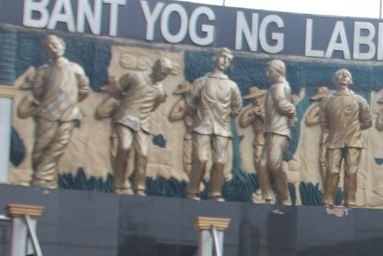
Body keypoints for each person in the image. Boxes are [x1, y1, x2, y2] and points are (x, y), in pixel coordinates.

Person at [100, 56, 176, 196]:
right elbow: (114, 91)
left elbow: (152, 107)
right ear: (155, 67)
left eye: (166, 74)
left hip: (142, 123)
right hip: (125, 117)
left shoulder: (160, 92)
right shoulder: (134, 76)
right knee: (124, 147)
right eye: (162, 71)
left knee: (143, 153)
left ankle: (139, 187)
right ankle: (118, 184)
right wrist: (126, 99)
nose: (162, 76)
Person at [22, 35, 91, 188]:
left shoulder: (75, 68)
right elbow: (38, 90)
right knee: (41, 146)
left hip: (69, 114)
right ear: (46, 51)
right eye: (49, 46)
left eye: (55, 44)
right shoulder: (44, 71)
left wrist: (70, 102)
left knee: (59, 145)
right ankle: (46, 179)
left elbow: (84, 89)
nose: (53, 48)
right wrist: (50, 100)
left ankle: (40, 177)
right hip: (47, 113)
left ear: (62, 46)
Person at [183, 47, 243, 200]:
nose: (225, 61)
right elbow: (189, 102)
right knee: (200, 159)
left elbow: (236, 107)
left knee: (220, 161)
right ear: (215, 58)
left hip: (222, 128)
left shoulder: (232, 86)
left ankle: (215, 193)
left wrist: (224, 117)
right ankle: (192, 191)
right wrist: (198, 116)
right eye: (223, 57)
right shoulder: (201, 82)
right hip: (202, 126)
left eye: (229, 60)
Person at [319, 68, 373, 207]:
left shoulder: (359, 100)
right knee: (332, 171)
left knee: (351, 171)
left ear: (351, 81)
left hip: (353, 141)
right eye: (339, 75)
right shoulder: (327, 100)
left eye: (347, 75)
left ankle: (350, 201)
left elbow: (368, 121)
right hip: (334, 141)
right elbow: (324, 123)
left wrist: (354, 129)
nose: (343, 77)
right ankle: (328, 200)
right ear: (334, 80)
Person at [256, 59, 297, 205]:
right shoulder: (275, 87)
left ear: (278, 71)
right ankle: (268, 197)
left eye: (270, 71)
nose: (267, 74)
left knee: (273, 165)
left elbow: (282, 105)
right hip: (271, 132)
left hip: (279, 133)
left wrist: (292, 112)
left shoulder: (279, 87)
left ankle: (285, 198)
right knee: (261, 164)